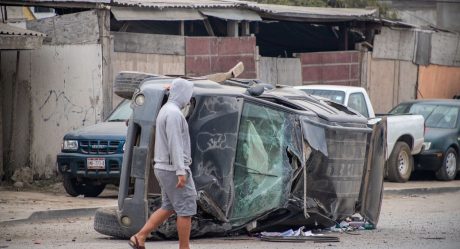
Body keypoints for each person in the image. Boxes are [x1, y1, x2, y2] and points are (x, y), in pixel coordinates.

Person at [129, 78, 196, 249]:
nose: (189, 99)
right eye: (188, 95)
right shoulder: (174, 113)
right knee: (186, 210)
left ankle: (140, 236)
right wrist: (181, 171)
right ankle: (184, 247)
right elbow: (175, 144)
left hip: (163, 167)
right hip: (173, 168)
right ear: (182, 94)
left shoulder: (166, 109)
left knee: (168, 206)